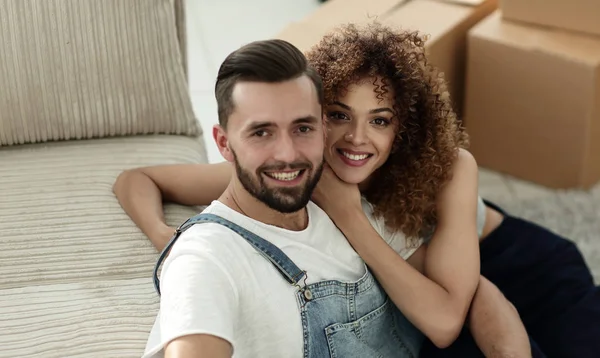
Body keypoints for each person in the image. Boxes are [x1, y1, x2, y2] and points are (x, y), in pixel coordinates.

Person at [115, 25, 550, 357]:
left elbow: (466, 303)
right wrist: (165, 238)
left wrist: (349, 215)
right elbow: (138, 183)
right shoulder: (281, 185)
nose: (357, 138)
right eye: (340, 115)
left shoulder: (438, 170)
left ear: (403, 130)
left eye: (380, 120)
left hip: (504, 247)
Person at [136, 38, 430, 358]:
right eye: (261, 132)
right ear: (224, 143)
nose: (287, 154)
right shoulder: (206, 256)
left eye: (302, 128)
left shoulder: (344, 203)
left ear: (322, 129)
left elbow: (446, 299)